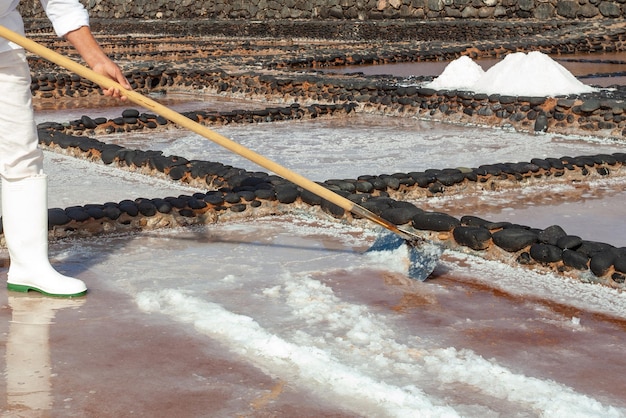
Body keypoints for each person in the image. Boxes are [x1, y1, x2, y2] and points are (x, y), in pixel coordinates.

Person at [0, 0, 130, 297]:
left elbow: (59, 1)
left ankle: (29, 266)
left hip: (3, 49)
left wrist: (96, 59)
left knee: (22, 156)